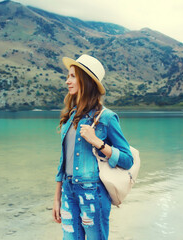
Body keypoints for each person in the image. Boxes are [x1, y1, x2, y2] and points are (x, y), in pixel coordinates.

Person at [52, 54, 134, 239]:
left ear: (85, 81)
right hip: (68, 191)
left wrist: (97, 142)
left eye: (72, 76)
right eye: (68, 76)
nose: (67, 81)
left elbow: (127, 160)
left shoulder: (107, 117)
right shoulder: (70, 116)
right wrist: (57, 198)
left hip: (92, 192)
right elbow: (62, 162)